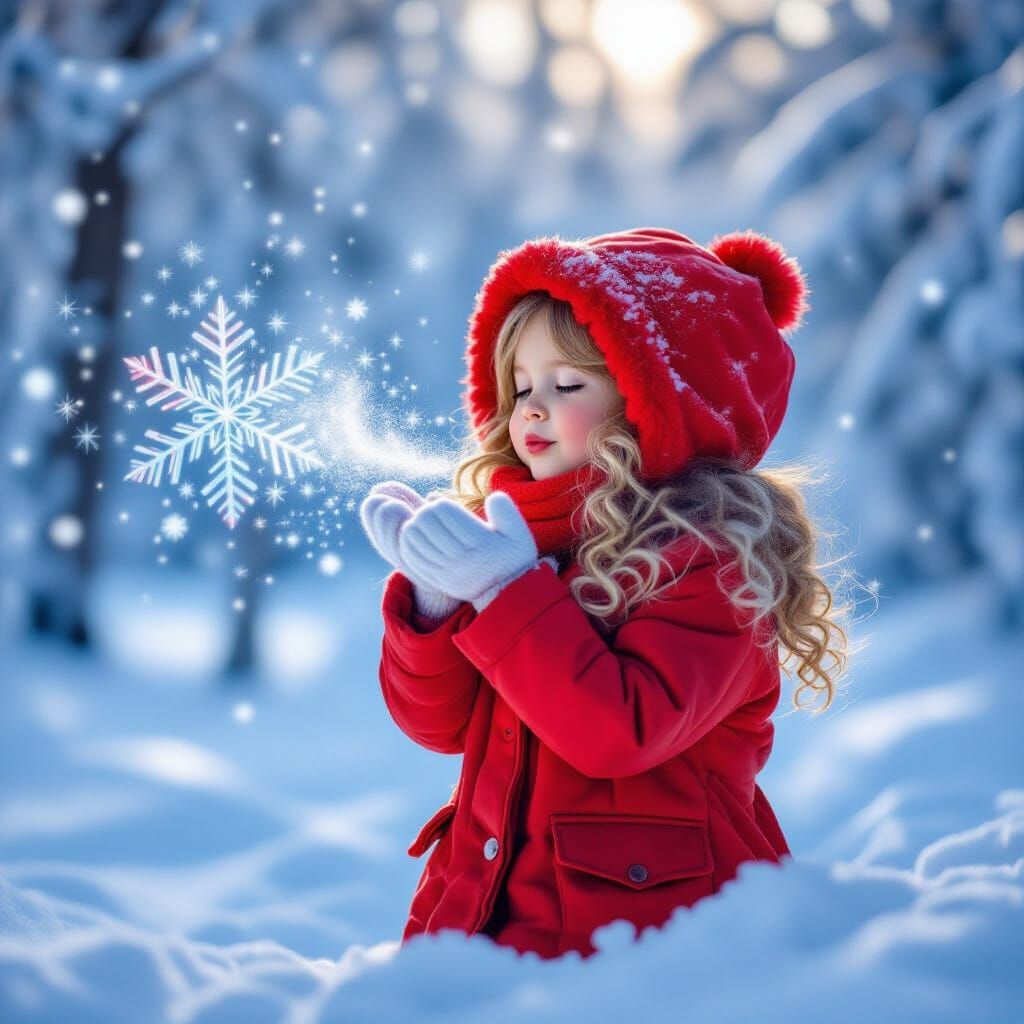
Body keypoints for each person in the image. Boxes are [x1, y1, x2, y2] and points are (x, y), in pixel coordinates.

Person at [360, 227, 860, 960]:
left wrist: (504, 593)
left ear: (657, 405)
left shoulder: (711, 562)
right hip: (493, 923)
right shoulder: (522, 542)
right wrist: (435, 606)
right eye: (520, 386)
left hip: (652, 950)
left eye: (566, 386)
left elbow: (617, 733)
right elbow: (438, 727)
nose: (530, 409)